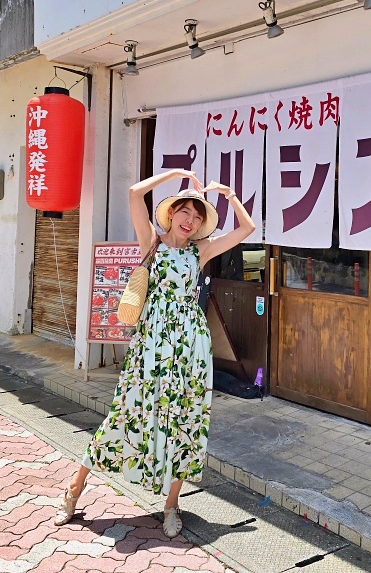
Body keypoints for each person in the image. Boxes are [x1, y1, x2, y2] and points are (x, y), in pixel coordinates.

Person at [54, 168, 255, 537]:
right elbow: (133, 193)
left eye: (197, 217)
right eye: (185, 212)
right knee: (127, 412)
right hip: (150, 343)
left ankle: (171, 505)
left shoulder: (202, 249)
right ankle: (75, 487)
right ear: (172, 213)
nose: (190, 221)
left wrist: (229, 195)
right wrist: (177, 173)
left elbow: (247, 230)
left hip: (190, 345)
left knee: (186, 419)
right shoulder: (152, 239)